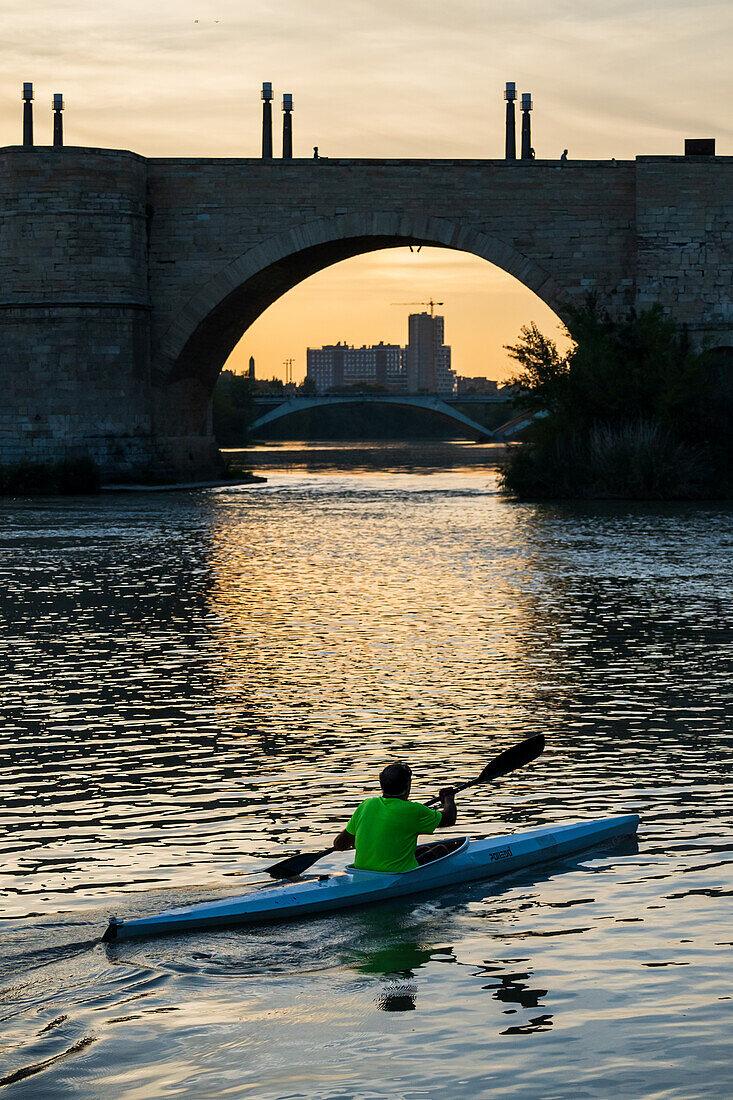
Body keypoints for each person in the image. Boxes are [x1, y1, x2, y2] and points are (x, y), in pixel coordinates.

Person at [332, 762, 457, 873]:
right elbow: (449, 819)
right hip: (395, 874)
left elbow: (339, 844)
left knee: (424, 849)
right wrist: (448, 798)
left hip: (362, 871)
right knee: (440, 849)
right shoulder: (413, 810)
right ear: (407, 787)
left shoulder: (366, 805)